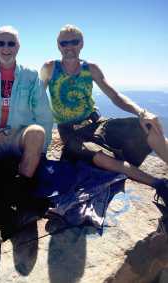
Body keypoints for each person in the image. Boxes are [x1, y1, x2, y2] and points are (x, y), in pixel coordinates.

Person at [40, 24, 168, 205]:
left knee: (148, 126)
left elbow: (114, 95)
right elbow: (36, 99)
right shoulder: (50, 68)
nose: (69, 46)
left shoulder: (90, 68)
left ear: (81, 43)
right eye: (64, 43)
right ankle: (160, 184)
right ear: (58, 45)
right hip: (70, 133)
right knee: (100, 157)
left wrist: (141, 112)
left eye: (74, 41)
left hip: (97, 123)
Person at [0, 26, 53, 238]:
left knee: (37, 132)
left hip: (18, 137)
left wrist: (41, 152)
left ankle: (18, 197)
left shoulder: (31, 76)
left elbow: (44, 114)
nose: (6, 48)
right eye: (1, 43)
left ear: (18, 46)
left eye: (11, 43)